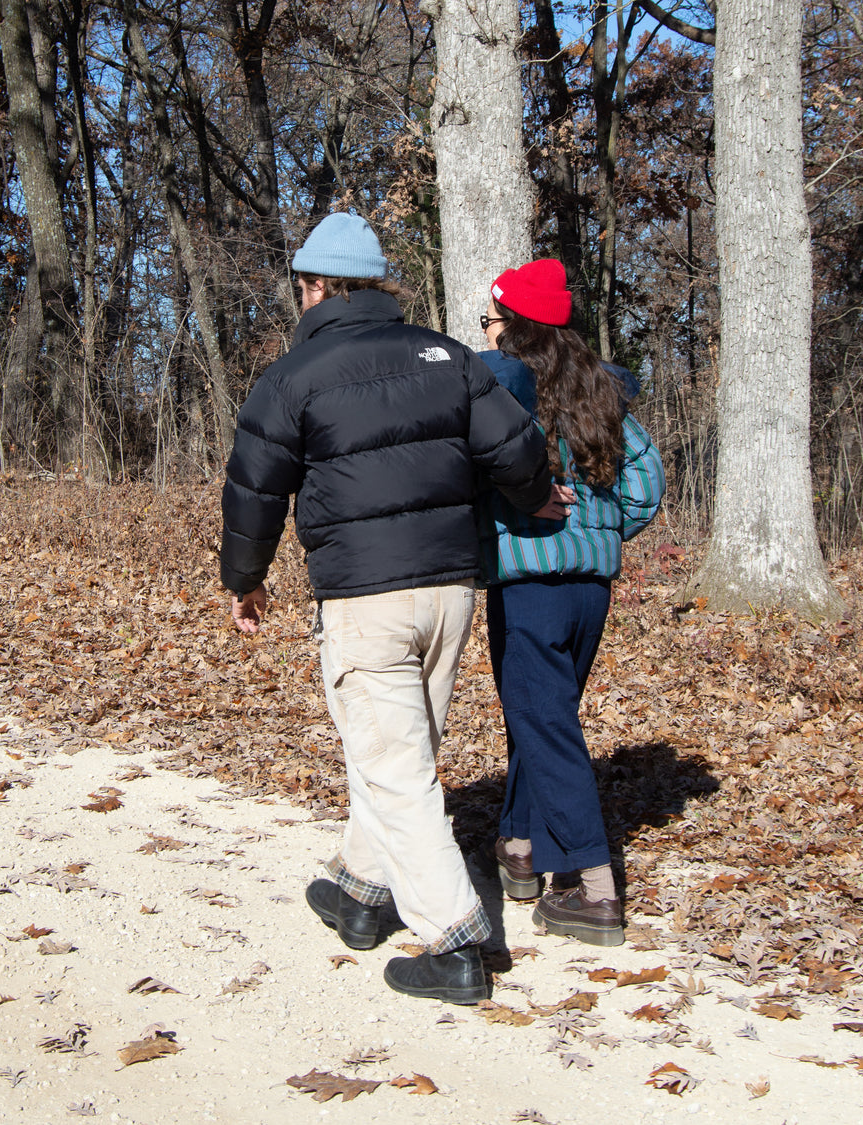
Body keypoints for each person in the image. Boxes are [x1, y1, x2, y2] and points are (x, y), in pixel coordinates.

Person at [220, 214, 569, 1003]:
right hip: (449, 592)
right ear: (380, 287)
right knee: (400, 756)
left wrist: (245, 579)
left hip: (364, 597)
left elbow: (253, 488)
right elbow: (516, 447)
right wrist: (538, 495)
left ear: (316, 288)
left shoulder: (291, 377)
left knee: (395, 766)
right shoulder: (445, 354)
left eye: (301, 286)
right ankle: (360, 889)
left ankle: (455, 940)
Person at [475, 259, 665, 946]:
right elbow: (644, 483)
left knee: (545, 722)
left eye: (490, 321)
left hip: (529, 584)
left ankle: (595, 886)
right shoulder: (599, 388)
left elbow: (483, 474)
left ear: (515, 325)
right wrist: (602, 531)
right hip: (591, 588)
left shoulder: (504, 391)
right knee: (544, 714)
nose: (485, 333)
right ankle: (520, 846)